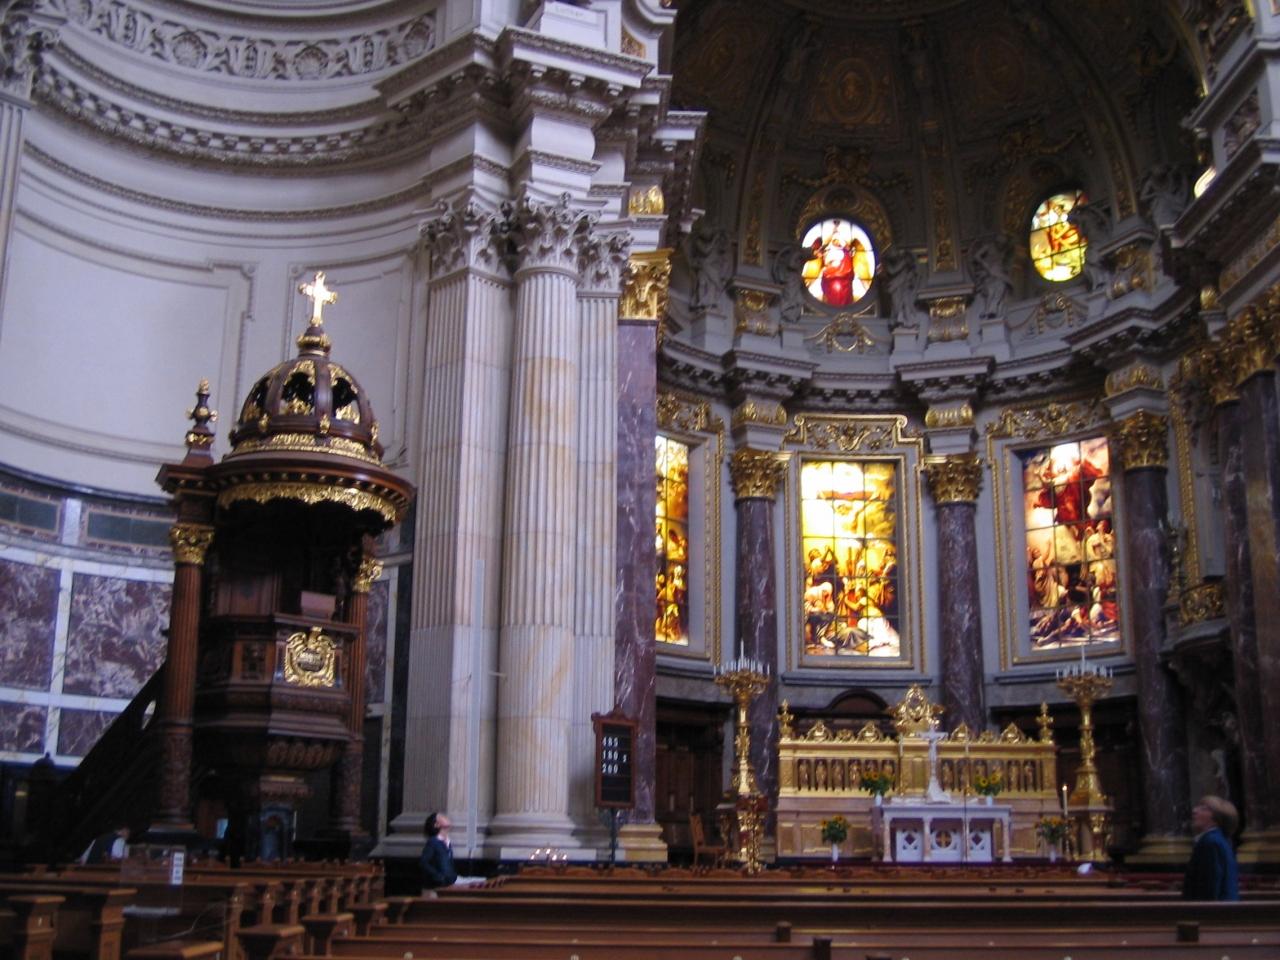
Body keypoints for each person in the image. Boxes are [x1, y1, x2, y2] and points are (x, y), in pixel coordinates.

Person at [1183, 795, 1240, 901]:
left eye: (1204, 809)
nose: (1194, 811)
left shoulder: (1210, 843)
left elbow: (1210, 887)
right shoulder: (1218, 840)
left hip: (1213, 910)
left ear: (1216, 818)